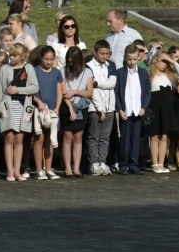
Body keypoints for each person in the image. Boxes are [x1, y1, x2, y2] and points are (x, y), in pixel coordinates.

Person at [0, 43, 38, 182]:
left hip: (23, 106)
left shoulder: (28, 68)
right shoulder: (4, 69)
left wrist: (19, 90)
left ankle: (17, 170)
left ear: (22, 56)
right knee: (9, 138)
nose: (11, 58)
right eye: (10, 55)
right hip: (8, 106)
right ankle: (9, 171)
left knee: (19, 139)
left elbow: (34, 87)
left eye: (14, 55)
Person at [114, 44, 151, 175]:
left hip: (138, 111)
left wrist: (143, 107)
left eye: (134, 59)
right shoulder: (119, 73)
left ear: (138, 58)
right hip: (126, 111)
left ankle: (134, 164)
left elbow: (147, 92)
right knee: (124, 139)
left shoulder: (143, 73)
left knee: (136, 139)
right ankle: (123, 164)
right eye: (129, 59)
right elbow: (117, 93)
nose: (131, 62)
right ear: (125, 58)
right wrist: (119, 109)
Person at [59, 47, 94, 178]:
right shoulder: (62, 71)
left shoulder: (87, 72)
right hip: (66, 105)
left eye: (73, 61)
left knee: (78, 137)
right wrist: (70, 109)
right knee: (67, 137)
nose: (71, 64)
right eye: (69, 61)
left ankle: (77, 168)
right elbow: (62, 92)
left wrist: (74, 92)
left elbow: (89, 92)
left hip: (81, 106)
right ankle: (68, 168)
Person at [146, 52, 179, 173]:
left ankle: (162, 163)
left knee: (164, 136)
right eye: (162, 61)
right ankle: (155, 164)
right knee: (155, 136)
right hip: (155, 107)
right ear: (155, 61)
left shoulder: (168, 75)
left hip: (167, 108)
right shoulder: (150, 74)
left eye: (166, 62)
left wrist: (172, 62)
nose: (164, 64)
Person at [86, 40, 117, 176]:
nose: (105, 56)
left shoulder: (111, 65)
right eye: (102, 53)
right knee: (94, 137)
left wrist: (98, 83)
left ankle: (102, 161)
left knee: (105, 137)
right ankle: (93, 162)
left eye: (107, 53)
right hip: (95, 107)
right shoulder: (88, 67)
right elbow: (91, 88)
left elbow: (112, 83)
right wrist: (99, 108)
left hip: (109, 105)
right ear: (95, 52)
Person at [32, 46, 63, 180]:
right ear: (41, 58)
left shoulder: (57, 72)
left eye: (51, 59)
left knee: (51, 139)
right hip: (39, 109)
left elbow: (59, 91)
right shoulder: (34, 71)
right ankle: (39, 169)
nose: (49, 62)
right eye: (46, 59)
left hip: (52, 110)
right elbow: (31, 90)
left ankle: (49, 168)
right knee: (39, 138)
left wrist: (57, 107)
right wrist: (38, 102)